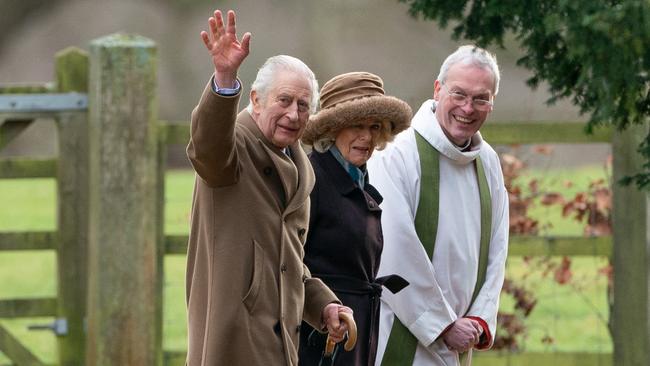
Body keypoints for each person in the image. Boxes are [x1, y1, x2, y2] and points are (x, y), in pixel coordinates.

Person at [185, 9, 352, 366]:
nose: (294, 114)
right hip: (231, 340)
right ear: (257, 100)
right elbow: (207, 147)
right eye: (284, 100)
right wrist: (225, 79)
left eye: (303, 105)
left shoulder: (298, 165)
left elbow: (285, 261)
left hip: (280, 341)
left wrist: (324, 306)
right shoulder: (234, 148)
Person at [367, 45, 510, 365]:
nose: (468, 108)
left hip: (461, 339)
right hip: (402, 335)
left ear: (492, 103)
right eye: (458, 94)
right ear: (437, 89)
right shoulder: (396, 153)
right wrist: (442, 324)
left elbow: (498, 249)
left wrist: (479, 318)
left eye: (481, 98)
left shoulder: (487, 162)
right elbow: (390, 250)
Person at [298, 72, 412, 366]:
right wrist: (324, 309)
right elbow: (289, 260)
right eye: (356, 126)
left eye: (374, 126)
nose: (367, 137)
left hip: (357, 328)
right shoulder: (312, 180)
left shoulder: (359, 179)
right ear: (333, 129)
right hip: (321, 335)